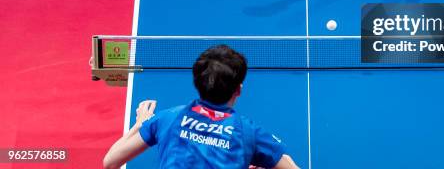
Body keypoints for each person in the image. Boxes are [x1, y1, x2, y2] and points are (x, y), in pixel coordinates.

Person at [103, 45, 299, 169]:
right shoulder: (249, 134)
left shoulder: (168, 118)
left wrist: (141, 124)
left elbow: (110, 162)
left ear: (196, 82)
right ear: (238, 90)